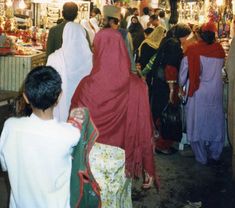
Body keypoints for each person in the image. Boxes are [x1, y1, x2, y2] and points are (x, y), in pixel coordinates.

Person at [71, 28, 156, 207]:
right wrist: (149, 166)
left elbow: (74, 124)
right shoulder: (137, 85)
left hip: (90, 160)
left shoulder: (86, 85)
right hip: (121, 160)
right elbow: (144, 128)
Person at [0, 66, 81, 208]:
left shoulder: (10, 127)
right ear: (59, 96)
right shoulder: (69, 134)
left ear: (25, 97)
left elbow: (5, 165)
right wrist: (74, 119)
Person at [179, 21, 225, 165]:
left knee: (197, 122)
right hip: (216, 91)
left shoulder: (192, 50)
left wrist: (180, 85)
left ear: (201, 35)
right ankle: (215, 154)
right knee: (215, 122)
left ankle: (201, 157)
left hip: (198, 91)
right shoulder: (220, 50)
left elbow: (183, 73)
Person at [149, 23, 191, 154]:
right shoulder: (174, 45)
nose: (187, 39)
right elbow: (170, 68)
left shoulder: (168, 41)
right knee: (166, 114)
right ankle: (162, 145)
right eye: (186, 36)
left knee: (161, 112)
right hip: (165, 85)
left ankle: (160, 143)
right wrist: (173, 89)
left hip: (160, 83)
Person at [47, 22, 93, 121]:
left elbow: (49, 86)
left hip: (60, 109)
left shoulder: (55, 58)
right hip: (85, 108)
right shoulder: (92, 59)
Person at [103, 5, 136, 73]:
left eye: (104, 20)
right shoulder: (102, 33)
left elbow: (129, 53)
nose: (103, 22)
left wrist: (132, 71)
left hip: (120, 70)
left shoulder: (124, 34)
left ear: (111, 21)